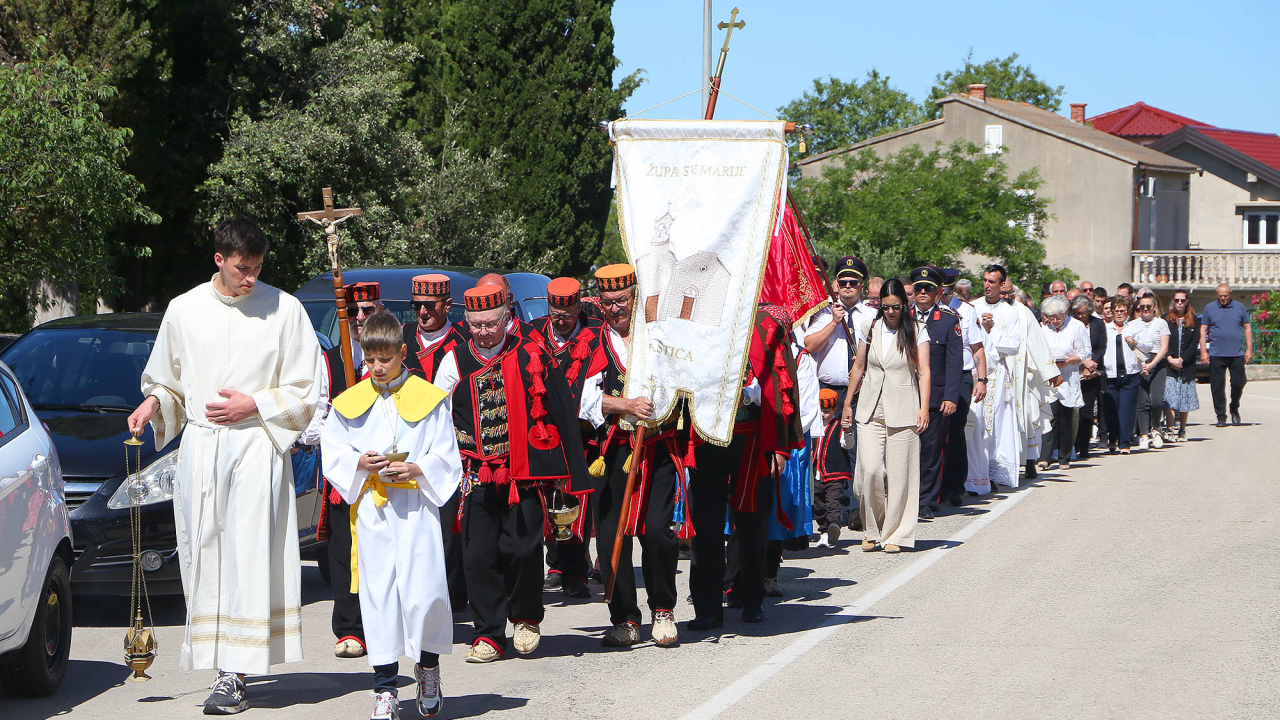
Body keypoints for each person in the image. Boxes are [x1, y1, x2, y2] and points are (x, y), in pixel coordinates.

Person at [127, 218, 323, 714]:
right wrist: (153, 403)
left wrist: (253, 405)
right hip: (203, 450)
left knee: (247, 554)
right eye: (242, 268)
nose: (251, 278)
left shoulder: (286, 309)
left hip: (257, 449)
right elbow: (168, 378)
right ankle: (220, 665)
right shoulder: (184, 309)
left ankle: (234, 673)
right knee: (205, 553)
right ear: (219, 259)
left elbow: (306, 390)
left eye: (258, 268)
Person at [433, 284, 590, 662]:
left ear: (506, 318)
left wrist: (568, 478)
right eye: (475, 325)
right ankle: (488, 633)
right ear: (466, 323)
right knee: (479, 556)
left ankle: (525, 618)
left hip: (523, 473)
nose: (483, 332)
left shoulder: (531, 354)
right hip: (474, 475)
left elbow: (561, 411)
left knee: (522, 549)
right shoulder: (453, 361)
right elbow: (435, 416)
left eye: (490, 324)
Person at [321, 311, 459, 720]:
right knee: (378, 598)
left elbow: (447, 457)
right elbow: (334, 452)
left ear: (403, 352)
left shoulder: (429, 399)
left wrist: (416, 469)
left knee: (423, 593)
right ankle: (384, 689)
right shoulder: (349, 403)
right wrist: (359, 462)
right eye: (370, 360)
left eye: (385, 359)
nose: (377, 368)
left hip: (416, 509)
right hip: (373, 512)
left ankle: (428, 669)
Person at [581, 264, 683, 647]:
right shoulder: (591, 343)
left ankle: (663, 609)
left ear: (635, 298)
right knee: (610, 537)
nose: (614, 309)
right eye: (607, 302)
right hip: (609, 453)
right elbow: (582, 398)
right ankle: (624, 617)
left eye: (621, 300)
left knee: (658, 532)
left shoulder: (659, 339)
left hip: (655, 448)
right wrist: (624, 404)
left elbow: (682, 385)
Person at [701, 304, 803, 625]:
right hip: (708, 439)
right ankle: (708, 606)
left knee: (751, 524)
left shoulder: (767, 326)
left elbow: (783, 388)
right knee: (707, 526)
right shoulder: (701, 322)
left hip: (752, 441)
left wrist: (781, 448)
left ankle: (751, 597)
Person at [842, 278, 930, 553]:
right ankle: (872, 528)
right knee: (869, 470)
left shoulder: (918, 330)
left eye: (896, 306)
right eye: (886, 306)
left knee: (900, 474)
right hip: (870, 406)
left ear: (905, 305)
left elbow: (924, 372)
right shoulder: (870, 327)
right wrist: (847, 403)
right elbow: (858, 366)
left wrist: (924, 407)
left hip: (905, 407)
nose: (891, 312)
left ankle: (896, 534)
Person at [532, 277, 607, 600]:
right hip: (544, 432)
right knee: (547, 498)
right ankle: (556, 566)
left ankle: (577, 574)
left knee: (578, 500)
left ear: (579, 307)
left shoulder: (595, 335)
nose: (561, 320)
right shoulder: (533, 333)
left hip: (582, 433)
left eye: (568, 313)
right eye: (555, 313)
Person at [320, 281, 382, 660]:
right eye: (353, 312)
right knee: (344, 552)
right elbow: (317, 421)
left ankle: (384, 623)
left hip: (387, 476)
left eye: (368, 310)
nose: (360, 319)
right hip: (347, 474)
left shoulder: (395, 361)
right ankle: (349, 628)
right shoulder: (331, 362)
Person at [796, 255, 872, 538]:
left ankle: (854, 509)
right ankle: (825, 512)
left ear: (861, 286)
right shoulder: (823, 314)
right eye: (843, 282)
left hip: (861, 390)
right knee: (825, 450)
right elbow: (809, 344)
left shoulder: (869, 316)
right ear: (836, 285)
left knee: (856, 449)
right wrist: (834, 323)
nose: (848, 286)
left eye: (854, 282)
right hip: (826, 390)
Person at [909, 267, 961, 516]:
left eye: (927, 288)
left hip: (936, 397)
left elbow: (954, 363)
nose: (922, 292)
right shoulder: (902, 317)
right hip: (905, 396)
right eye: (918, 287)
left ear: (938, 292)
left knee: (930, 452)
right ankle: (906, 500)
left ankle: (927, 501)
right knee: (905, 450)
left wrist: (951, 395)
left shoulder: (949, 320)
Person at [968, 265, 1025, 492]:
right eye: (984, 280)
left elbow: (1013, 346)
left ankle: (991, 473)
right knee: (976, 424)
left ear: (1002, 285)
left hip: (998, 374)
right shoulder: (973, 306)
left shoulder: (1011, 312)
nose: (987, 285)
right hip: (976, 373)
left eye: (992, 281)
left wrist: (991, 330)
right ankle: (974, 473)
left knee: (995, 425)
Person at [940, 269, 987, 506]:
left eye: (949, 292)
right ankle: (934, 486)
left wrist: (981, 379)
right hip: (936, 376)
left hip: (961, 376)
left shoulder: (967, 312)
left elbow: (977, 347)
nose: (945, 296)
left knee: (956, 430)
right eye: (942, 291)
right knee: (934, 432)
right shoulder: (929, 311)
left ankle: (955, 485)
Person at [1039, 296, 1089, 469]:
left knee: (1067, 417)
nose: (1054, 321)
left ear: (1065, 313)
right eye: (1051, 317)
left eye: (1058, 317)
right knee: (1049, 416)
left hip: (1068, 376)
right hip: (1050, 377)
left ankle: (1064, 457)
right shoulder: (1045, 329)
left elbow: (1084, 353)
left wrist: (1068, 361)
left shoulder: (1076, 326)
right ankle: (1044, 456)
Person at [1200, 283, 1253, 426]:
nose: (1223, 298)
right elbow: (1204, 329)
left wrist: (1249, 349)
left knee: (1239, 382)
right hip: (1217, 353)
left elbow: (1247, 327)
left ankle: (1234, 407)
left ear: (1231, 293)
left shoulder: (1240, 307)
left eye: (1225, 296)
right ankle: (1221, 416)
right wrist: (1204, 350)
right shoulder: (1209, 308)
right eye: (1220, 296)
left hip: (1236, 353)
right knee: (1217, 386)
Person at [1129, 295, 1171, 450]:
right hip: (1139, 362)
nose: (1145, 309)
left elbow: (1164, 347)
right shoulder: (1133, 324)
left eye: (1148, 306)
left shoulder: (1161, 323)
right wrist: (1141, 365)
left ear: (1154, 307)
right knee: (1143, 401)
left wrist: (1153, 364)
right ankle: (1144, 435)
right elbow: (1129, 345)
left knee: (1157, 401)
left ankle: (1156, 429)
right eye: (1142, 307)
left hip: (1157, 362)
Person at [1103, 296, 1142, 454]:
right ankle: (1113, 438)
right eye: (1116, 311)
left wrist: (1136, 342)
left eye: (1122, 311)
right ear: (1112, 312)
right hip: (1110, 374)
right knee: (1111, 411)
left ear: (1128, 312)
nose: (1119, 314)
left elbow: (1148, 346)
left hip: (1130, 373)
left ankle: (1125, 443)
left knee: (1126, 410)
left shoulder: (1134, 327)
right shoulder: (1105, 329)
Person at [404, 274, 461, 381]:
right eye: (417, 305)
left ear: (448, 305)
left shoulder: (462, 340)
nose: (422, 311)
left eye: (429, 305)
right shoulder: (400, 335)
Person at [1071, 295, 1107, 461]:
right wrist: (1081, 362)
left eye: (1083, 313)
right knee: (1073, 411)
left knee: (1086, 410)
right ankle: (1072, 443)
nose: (1081, 316)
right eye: (1078, 313)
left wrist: (1091, 364)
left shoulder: (1098, 324)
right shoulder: (1070, 324)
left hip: (1091, 372)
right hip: (1073, 370)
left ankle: (1084, 446)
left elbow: (1101, 347)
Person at [1163, 290, 1201, 441]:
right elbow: (1163, 341)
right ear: (1173, 301)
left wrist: (1182, 359)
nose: (1179, 303)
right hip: (1170, 364)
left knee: (1184, 398)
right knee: (1170, 398)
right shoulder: (1166, 319)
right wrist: (1170, 358)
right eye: (1177, 300)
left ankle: (1182, 430)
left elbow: (1194, 343)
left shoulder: (1194, 320)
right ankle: (1170, 429)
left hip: (1186, 366)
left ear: (1187, 302)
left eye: (1182, 300)